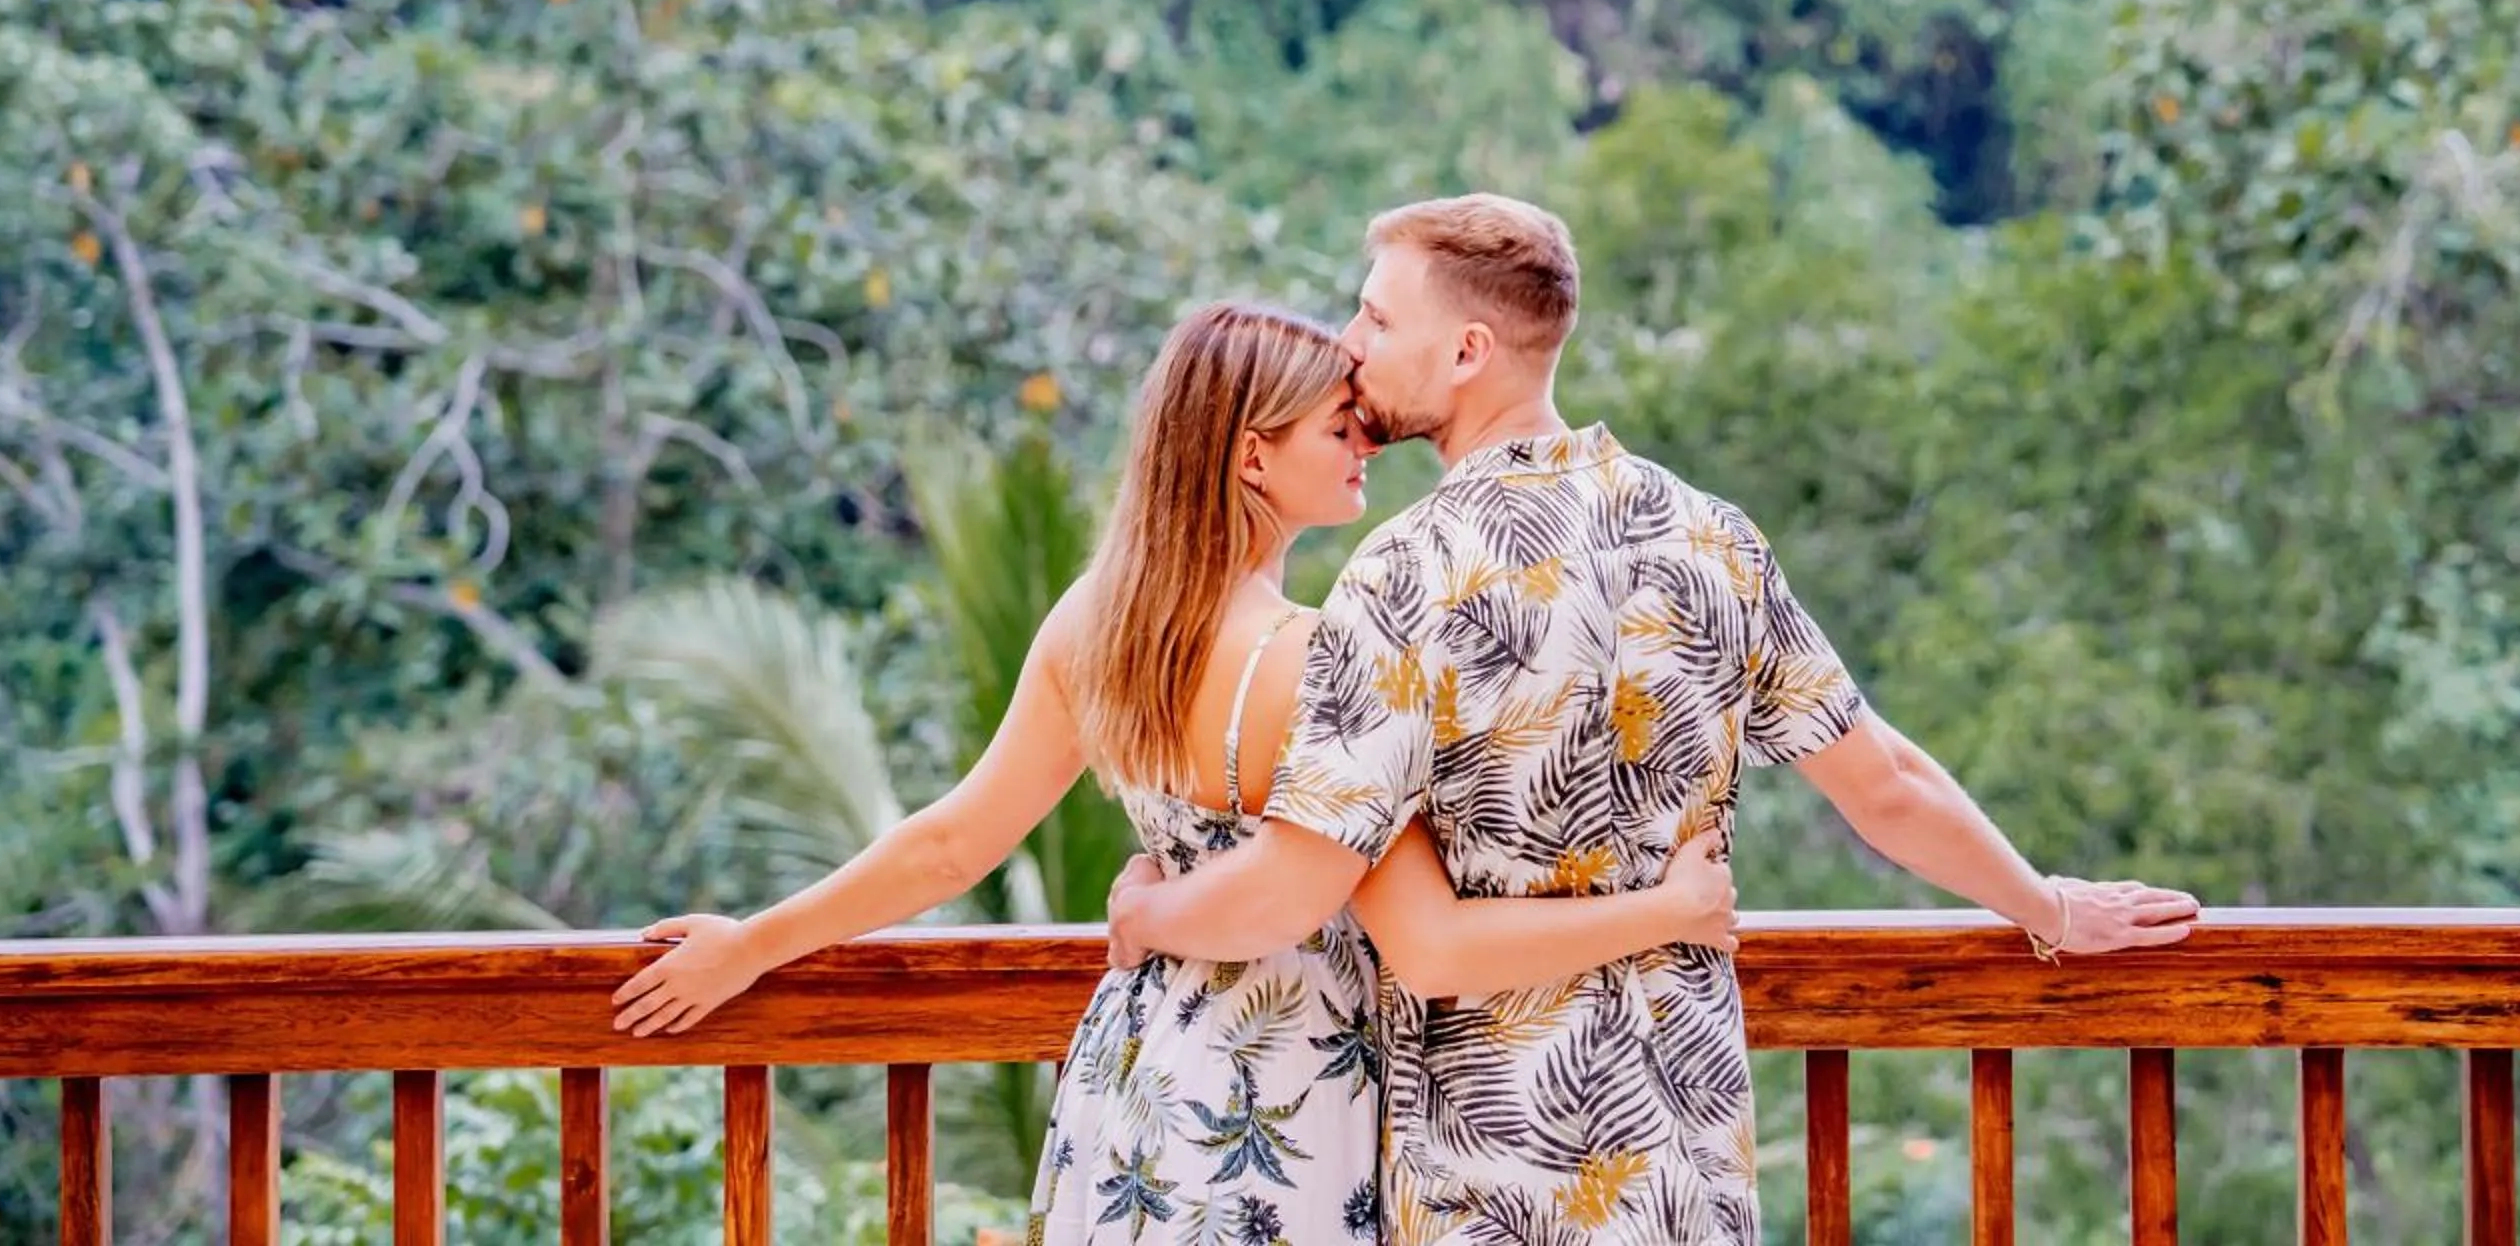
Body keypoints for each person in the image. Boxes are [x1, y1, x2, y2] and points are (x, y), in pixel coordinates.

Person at [1106, 195, 2204, 1245]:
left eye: (1379, 318)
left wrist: (1148, 912)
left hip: (1492, 1177)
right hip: (1686, 1156)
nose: (1352, 346)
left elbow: (1299, 891)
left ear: (1468, 350)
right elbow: (1885, 785)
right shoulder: (1709, 537)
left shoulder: (1404, 574)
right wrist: (2046, 905)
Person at [610, 300, 1739, 1243]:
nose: (1366, 444)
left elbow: (951, 843)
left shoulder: (1099, 624)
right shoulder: (1318, 655)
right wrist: (1670, 907)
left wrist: (752, 943)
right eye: (1339, 427)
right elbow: (1425, 932)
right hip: (1294, 1080)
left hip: (1146, 1061)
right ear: (1253, 455)